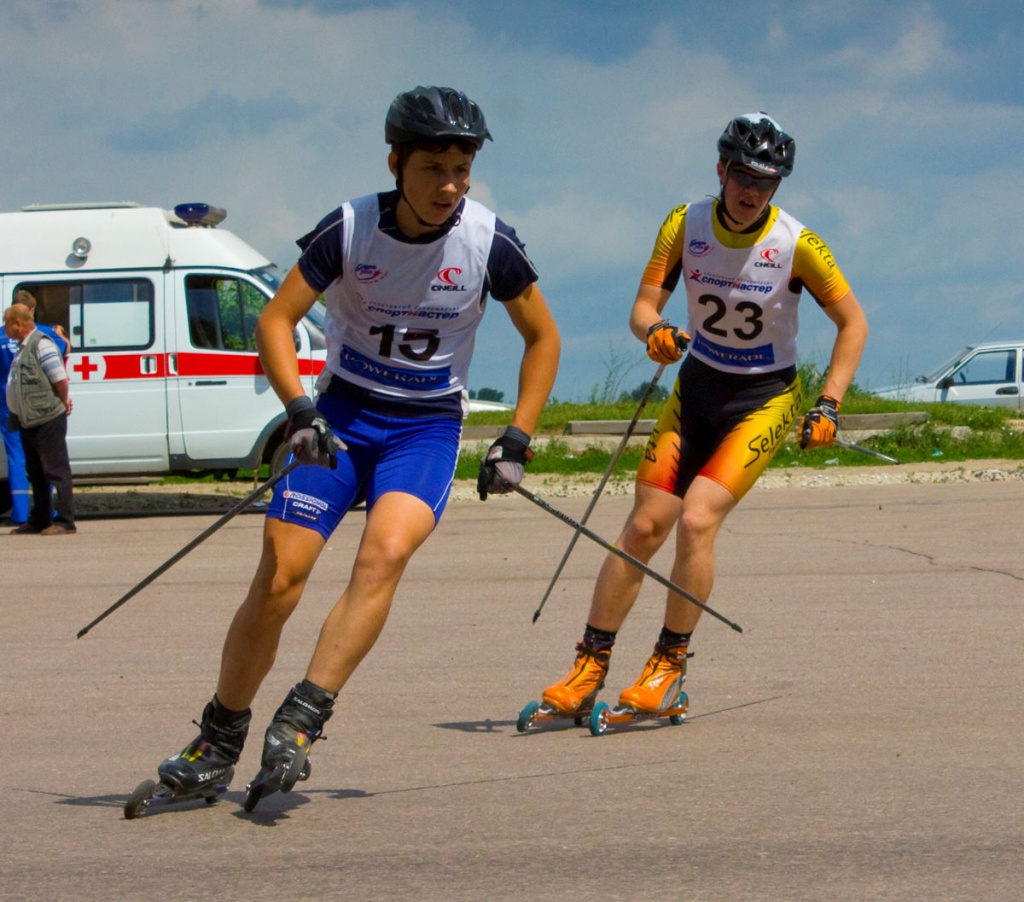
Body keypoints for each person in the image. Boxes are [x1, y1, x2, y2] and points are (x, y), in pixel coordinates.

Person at [138, 86, 560, 808]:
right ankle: (219, 738)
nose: (449, 186)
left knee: (384, 554)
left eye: (461, 169)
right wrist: (299, 410)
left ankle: (301, 720)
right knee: (280, 576)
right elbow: (275, 323)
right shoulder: (349, 229)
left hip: (423, 429)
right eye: (433, 168)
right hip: (342, 418)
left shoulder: (491, 241)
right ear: (396, 162)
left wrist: (517, 435)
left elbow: (544, 339)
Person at [540, 112, 868, 720]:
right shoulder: (683, 223)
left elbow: (854, 323)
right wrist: (656, 331)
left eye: (767, 183)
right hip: (694, 392)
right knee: (643, 528)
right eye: (743, 176)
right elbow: (643, 307)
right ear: (721, 169)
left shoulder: (798, 242)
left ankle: (667, 665)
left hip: (762, 400)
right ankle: (589, 664)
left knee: (694, 523)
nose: (752, 192)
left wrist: (830, 403)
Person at [3, 304, 76, 535]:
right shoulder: (23, 347)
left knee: (56, 470)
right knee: (35, 471)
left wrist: (64, 401)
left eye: (7, 323)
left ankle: (65, 521)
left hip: (46, 417)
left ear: (18, 324)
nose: (4, 328)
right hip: (28, 419)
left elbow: (59, 378)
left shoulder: (41, 344)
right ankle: (40, 519)